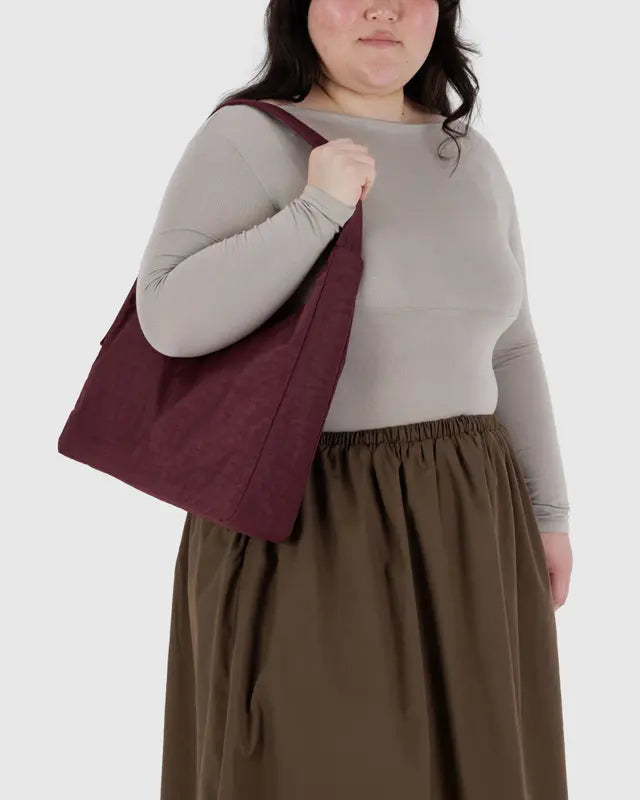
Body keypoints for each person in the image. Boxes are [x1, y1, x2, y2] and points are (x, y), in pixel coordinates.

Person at [136, 1, 572, 798]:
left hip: (474, 514)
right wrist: (318, 210)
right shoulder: (247, 139)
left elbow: (512, 346)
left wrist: (547, 515)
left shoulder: (469, 157)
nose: (383, 8)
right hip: (309, 519)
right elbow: (168, 318)